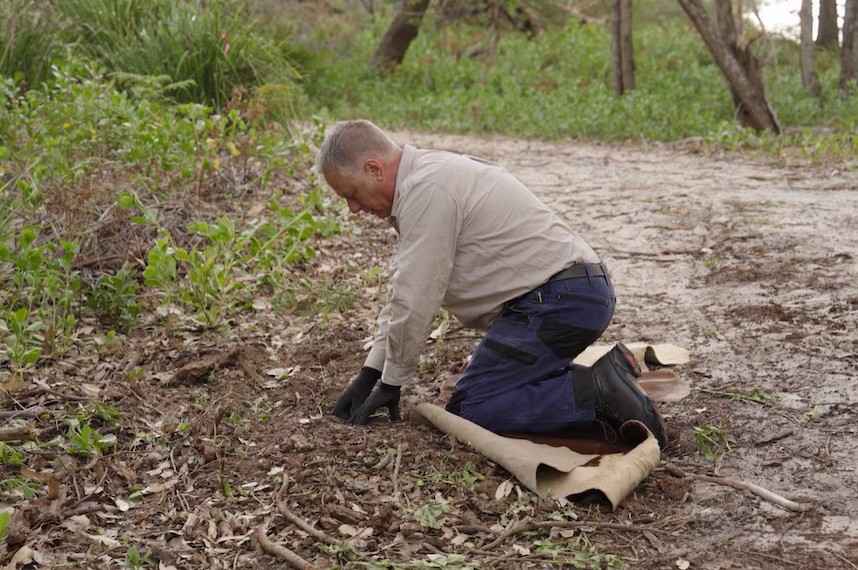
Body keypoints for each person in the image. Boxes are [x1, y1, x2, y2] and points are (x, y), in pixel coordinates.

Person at [314, 119, 668, 450]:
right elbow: (404, 288)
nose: (353, 208)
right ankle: (609, 379)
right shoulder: (426, 178)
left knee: (474, 406)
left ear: (374, 169)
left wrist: (392, 383)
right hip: (568, 295)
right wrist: (370, 372)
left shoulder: (426, 189)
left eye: (352, 194)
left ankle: (599, 391)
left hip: (558, 301)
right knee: (486, 391)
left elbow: (416, 297)